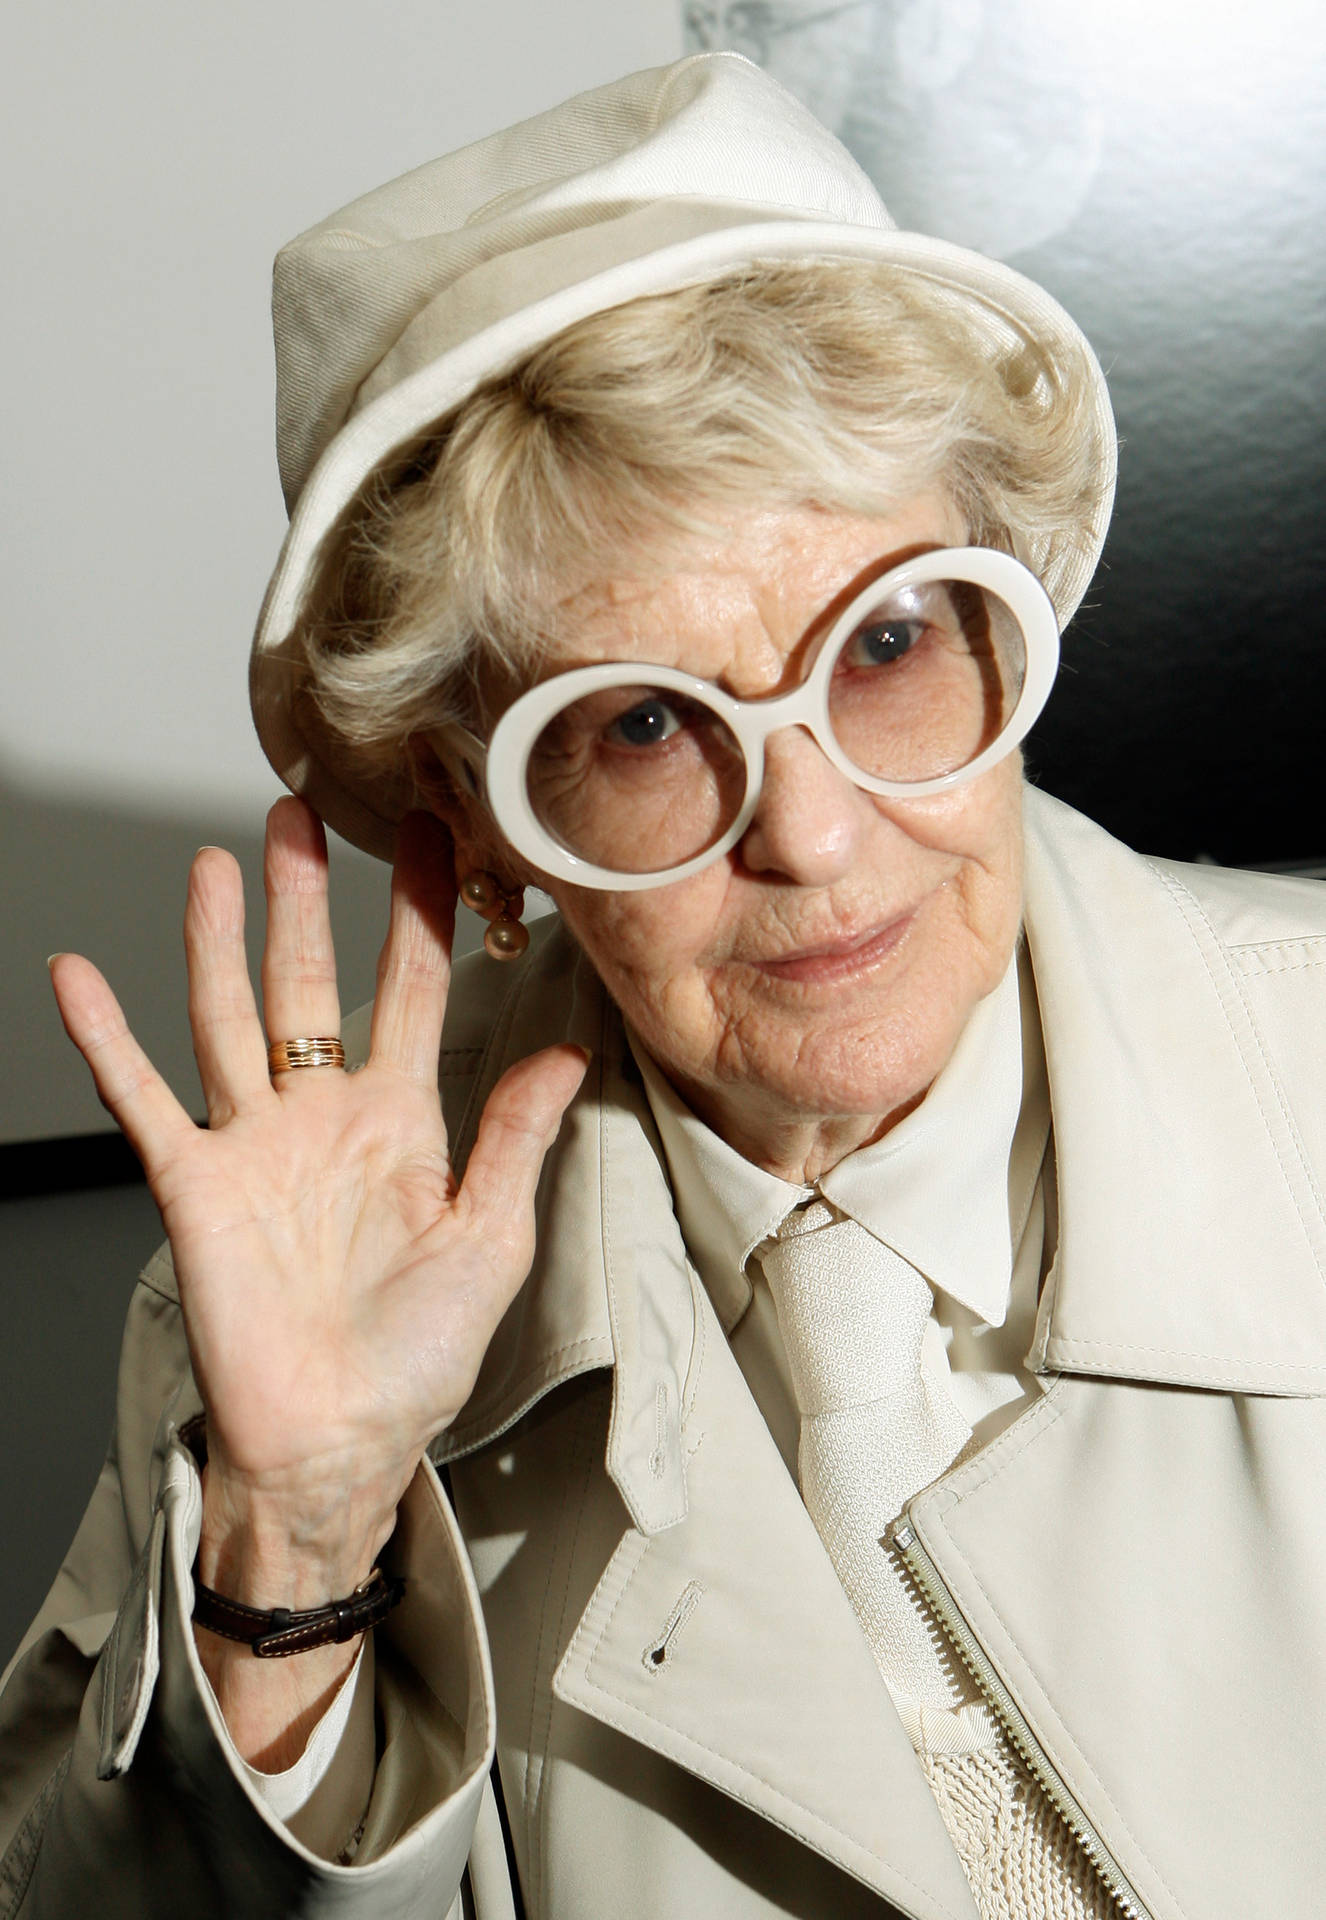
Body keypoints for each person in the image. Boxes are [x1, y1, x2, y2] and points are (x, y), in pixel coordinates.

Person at [3, 51, 1325, 1920]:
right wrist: (297, 1544)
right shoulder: (290, 1298)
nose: (813, 834)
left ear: (1002, 622)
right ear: (480, 826)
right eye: (638, 724)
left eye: (882, 643)